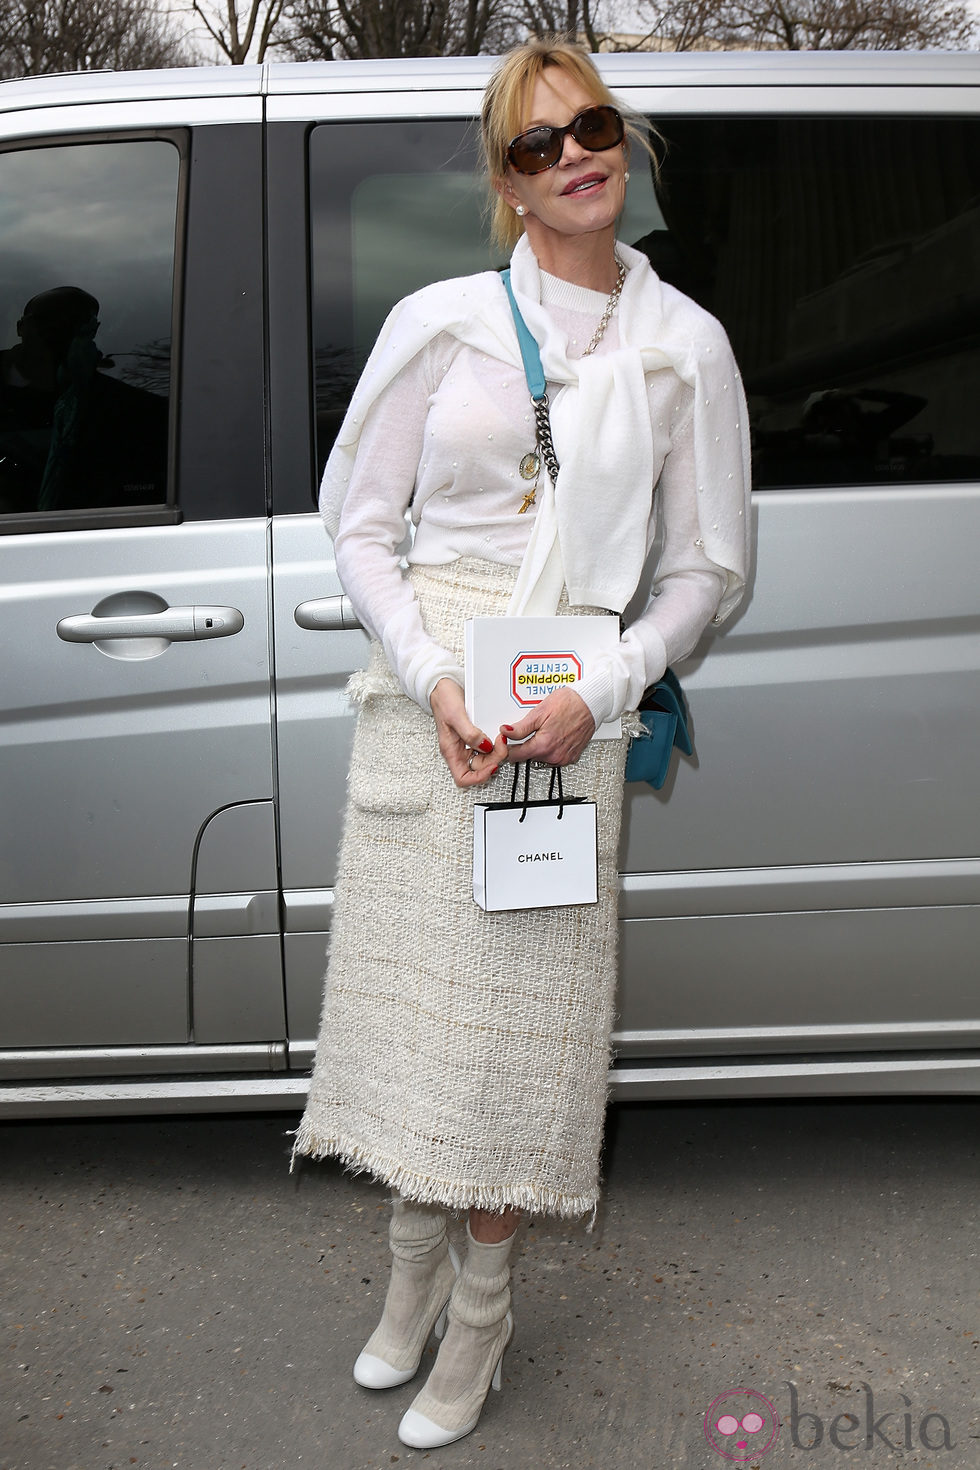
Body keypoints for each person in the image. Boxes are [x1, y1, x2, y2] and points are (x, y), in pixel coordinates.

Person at [291, 38, 752, 1450]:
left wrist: (603, 684)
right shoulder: (444, 322)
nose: (574, 160)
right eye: (538, 147)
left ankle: (480, 1317)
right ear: (507, 180)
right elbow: (362, 528)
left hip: (570, 701)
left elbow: (707, 571)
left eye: (591, 128)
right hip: (435, 704)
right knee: (414, 1025)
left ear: (628, 142)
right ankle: (409, 1278)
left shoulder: (687, 347)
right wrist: (430, 671)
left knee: (511, 1046)